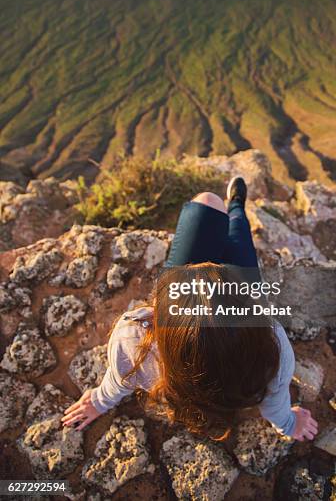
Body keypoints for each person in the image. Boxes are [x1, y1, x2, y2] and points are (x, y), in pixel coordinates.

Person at [62, 177, 318, 442]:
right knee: (238, 236)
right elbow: (274, 402)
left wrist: (100, 402)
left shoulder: (135, 339)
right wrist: (288, 424)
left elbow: (120, 378)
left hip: (200, 307)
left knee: (208, 203)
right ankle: (237, 206)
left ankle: (234, 208)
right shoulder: (273, 343)